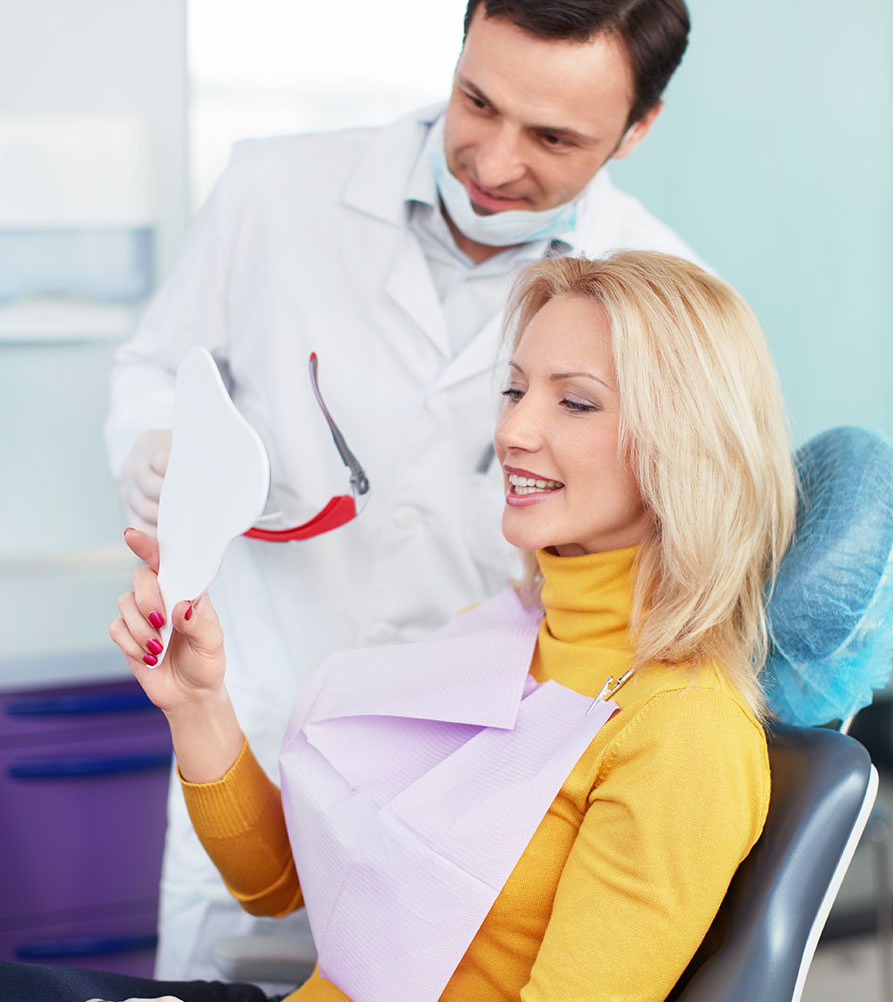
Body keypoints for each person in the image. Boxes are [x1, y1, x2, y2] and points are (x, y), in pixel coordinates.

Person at [104, 0, 703, 979]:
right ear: (464, 40)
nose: (494, 159)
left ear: (639, 128)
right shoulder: (275, 188)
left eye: (554, 139)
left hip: (469, 789)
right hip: (259, 712)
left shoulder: (656, 291)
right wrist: (157, 444)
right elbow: (156, 367)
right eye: (479, 101)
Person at [5, 251, 796, 1001]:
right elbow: (279, 879)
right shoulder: (503, 632)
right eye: (515, 391)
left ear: (689, 443)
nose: (515, 431)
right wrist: (196, 703)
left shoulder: (684, 735)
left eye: (575, 400)